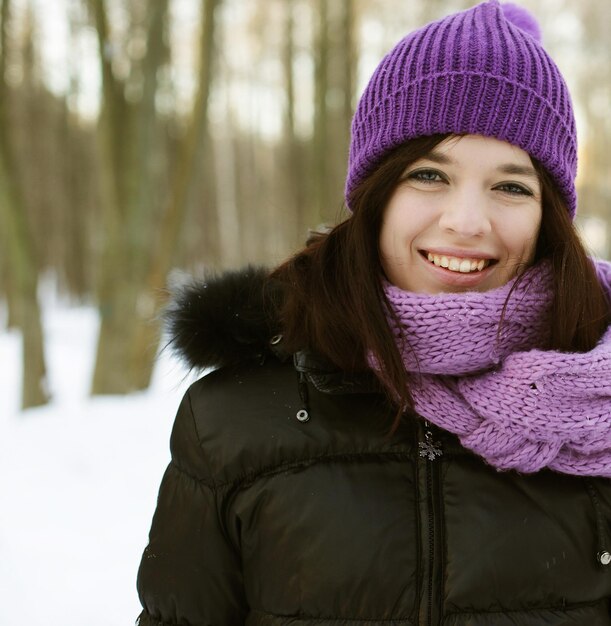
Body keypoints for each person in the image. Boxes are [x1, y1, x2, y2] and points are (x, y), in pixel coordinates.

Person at [136, 1, 611, 624]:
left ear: (549, 215)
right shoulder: (234, 421)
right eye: (430, 175)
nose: (467, 222)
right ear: (374, 193)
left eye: (512, 185)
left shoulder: (594, 411)